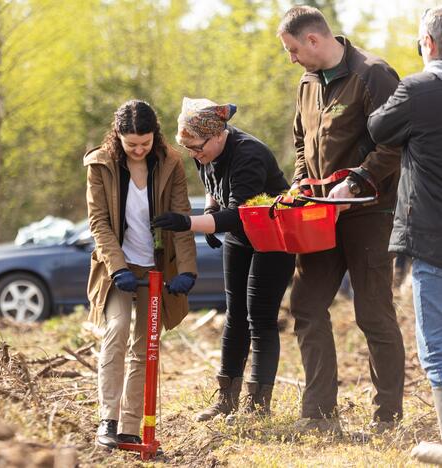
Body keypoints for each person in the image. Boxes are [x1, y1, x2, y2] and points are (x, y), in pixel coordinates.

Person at [277, 6, 405, 433]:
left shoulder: (374, 74)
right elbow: (301, 141)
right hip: (318, 216)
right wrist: (300, 182)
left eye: (293, 50)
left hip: (370, 213)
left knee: (373, 313)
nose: (291, 58)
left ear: (313, 40)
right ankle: (319, 415)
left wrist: (358, 180)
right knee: (307, 305)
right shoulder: (307, 83)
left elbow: (396, 143)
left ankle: (387, 418)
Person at [153, 98, 295, 420]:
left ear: (219, 135)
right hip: (241, 236)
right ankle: (226, 399)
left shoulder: (250, 154)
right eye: (186, 147)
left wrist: (187, 222)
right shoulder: (202, 151)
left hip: (274, 238)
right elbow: (214, 188)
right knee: (235, 314)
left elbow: (237, 216)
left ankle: (257, 406)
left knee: (259, 317)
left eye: (197, 147)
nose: (193, 154)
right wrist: (208, 212)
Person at [85, 99, 197, 449]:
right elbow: (98, 222)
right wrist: (117, 268)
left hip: (156, 267)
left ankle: (130, 426)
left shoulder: (170, 163)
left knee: (144, 344)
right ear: (117, 135)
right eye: (130, 143)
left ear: (154, 136)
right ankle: (108, 419)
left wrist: (189, 271)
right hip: (117, 268)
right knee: (116, 331)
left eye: (144, 143)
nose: (137, 149)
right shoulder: (100, 165)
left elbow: (181, 219)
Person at [367, 7, 442, 437]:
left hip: (432, 237)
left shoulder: (418, 88)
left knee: (436, 344)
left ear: (427, 43)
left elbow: (379, 128)